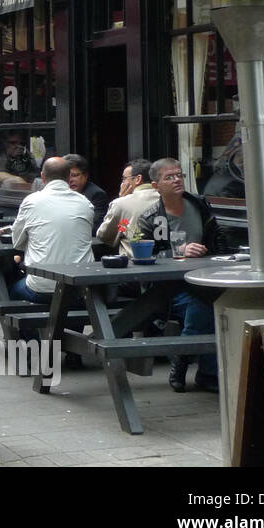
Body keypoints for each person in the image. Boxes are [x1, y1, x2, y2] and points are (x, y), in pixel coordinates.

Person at [134, 157, 228, 393]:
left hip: (206, 279)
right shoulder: (152, 218)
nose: (177, 180)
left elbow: (218, 241)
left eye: (179, 175)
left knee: (215, 303)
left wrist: (218, 256)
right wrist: (179, 252)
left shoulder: (199, 205)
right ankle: (197, 369)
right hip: (170, 287)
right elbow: (147, 257)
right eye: (169, 177)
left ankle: (186, 363)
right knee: (202, 307)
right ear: (156, 186)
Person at [10, 156, 95, 304]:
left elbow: (17, 243)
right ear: (68, 177)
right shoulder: (85, 203)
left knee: (12, 290)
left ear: (43, 176)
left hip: (41, 289)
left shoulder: (31, 202)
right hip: (81, 289)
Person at [96, 158, 159, 255]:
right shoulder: (167, 198)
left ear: (138, 179)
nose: (122, 183)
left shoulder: (121, 203)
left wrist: (121, 200)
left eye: (124, 179)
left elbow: (104, 235)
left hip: (133, 260)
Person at [65, 153, 110, 228]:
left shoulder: (97, 195)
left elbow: (95, 225)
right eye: (66, 176)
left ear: (85, 176)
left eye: (74, 175)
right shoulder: (61, 193)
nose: (70, 180)